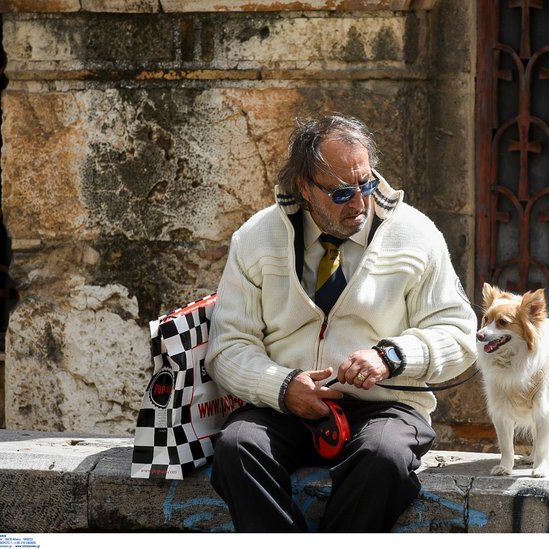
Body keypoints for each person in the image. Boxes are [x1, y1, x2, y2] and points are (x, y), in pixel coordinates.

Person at [204, 113, 477, 532]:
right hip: (283, 404)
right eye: (342, 192)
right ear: (304, 188)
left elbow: (459, 337)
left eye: (367, 184)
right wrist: (281, 386)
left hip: (388, 406)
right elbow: (227, 348)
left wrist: (391, 356)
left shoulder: (416, 234)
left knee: (383, 457)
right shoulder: (255, 238)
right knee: (237, 447)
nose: (360, 203)